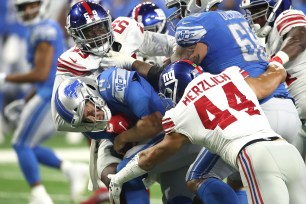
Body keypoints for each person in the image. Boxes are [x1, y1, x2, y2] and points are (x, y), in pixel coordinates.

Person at [108, 60, 306, 204]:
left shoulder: (182, 110)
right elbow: (268, 81)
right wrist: (278, 62)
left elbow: (151, 157)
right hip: (287, 150)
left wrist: (120, 177)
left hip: (255, 157)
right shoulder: (231, 76)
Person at [0, 0, 89, 203]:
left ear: (42, 5)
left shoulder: (44, 31)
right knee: (28, 145)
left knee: (20, 144)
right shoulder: (40, 29)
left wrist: (5, 78)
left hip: (50, 93)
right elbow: (45, 75)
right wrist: (25, 100)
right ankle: (71, 169)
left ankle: (39, 195)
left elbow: (41, 74)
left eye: (32, 5)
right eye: (24, 7)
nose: (29, 10)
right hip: (47, 91)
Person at [240, 0, 306, 159]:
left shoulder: (287, 15)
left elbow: (301, 34)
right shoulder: (266, 44)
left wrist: (278, 60)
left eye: (257, 10)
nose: (253, 17)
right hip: (298, 117)